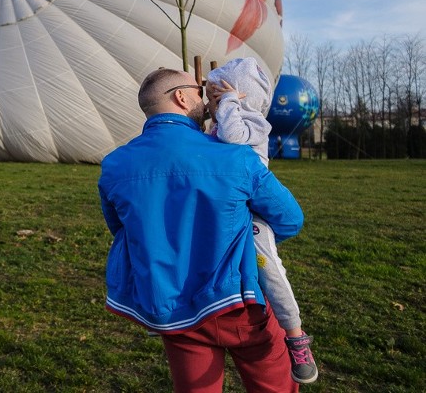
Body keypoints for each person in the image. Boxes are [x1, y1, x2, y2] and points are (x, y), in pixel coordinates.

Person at [100, 67, 304, 392]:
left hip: (173, 310)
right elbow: (290, 219)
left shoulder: (114, 164)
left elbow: (122, 230)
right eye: (199, 91)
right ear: (181, 98)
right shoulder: (236, 156)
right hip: (240, 305)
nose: (205, 101)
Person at [206, 57, 318, 384]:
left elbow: (232, 139)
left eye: (217, 98)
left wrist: (227, 103)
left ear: (242, 98)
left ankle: (295, 335)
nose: (212, 105)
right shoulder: (220, 123)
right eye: (213, 99)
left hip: (253, 217)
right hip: (227, 213)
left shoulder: (255, 124)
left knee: (269, 269)